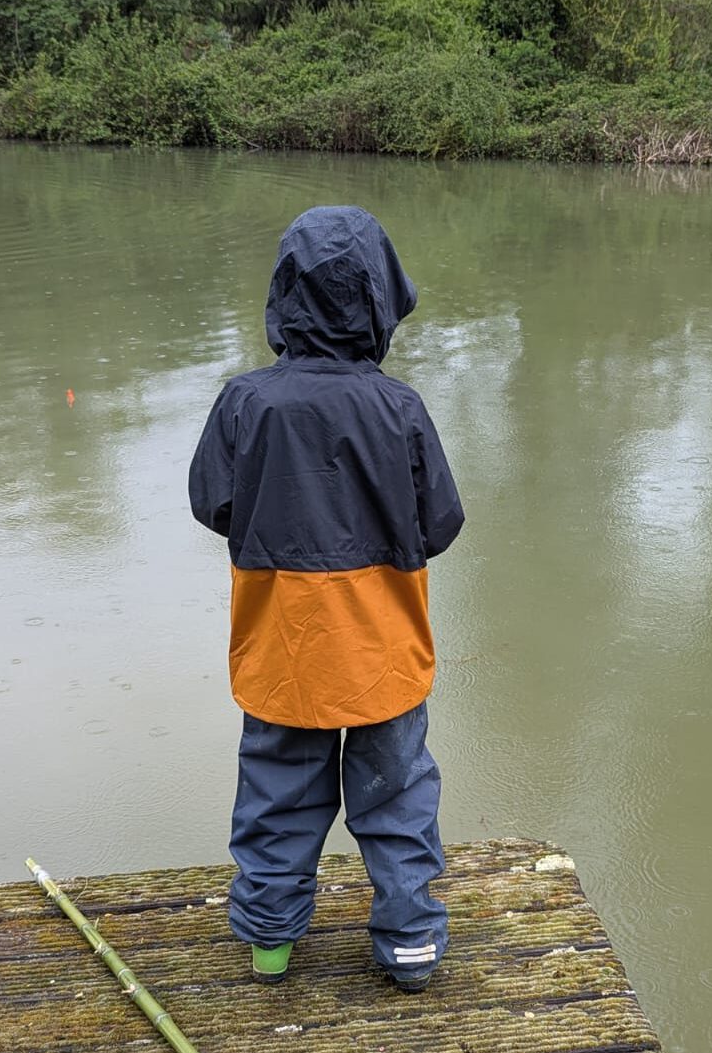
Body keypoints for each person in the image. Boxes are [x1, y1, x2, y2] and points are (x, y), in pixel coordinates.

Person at [188, 206, 465, 993]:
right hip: (382, 652)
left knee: (277, 800)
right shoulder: (400, 408)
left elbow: (213, 505)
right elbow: (439, 523)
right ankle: (410, 946)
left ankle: (271, 945)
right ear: (382, 301)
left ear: (284, 294)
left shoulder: (246, 402)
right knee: (399, 800)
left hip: (283, 652)